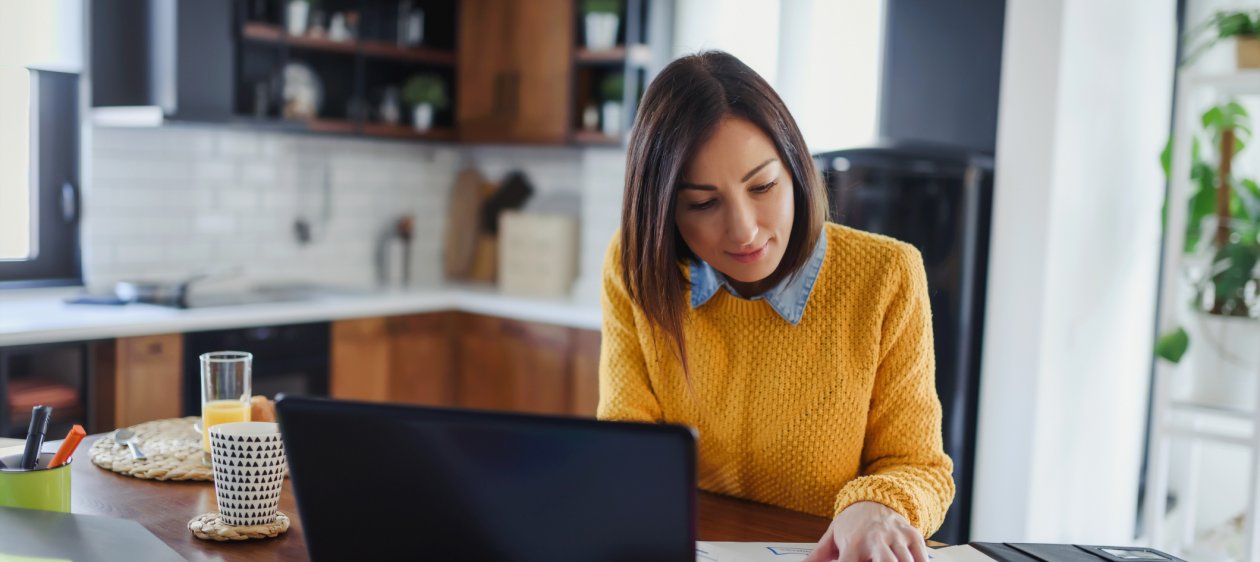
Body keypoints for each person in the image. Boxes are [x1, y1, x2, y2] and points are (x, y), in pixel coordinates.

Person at [597, 51, 955, 562]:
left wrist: (876, 504)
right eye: (702, 203)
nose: (743, 230)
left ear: (796, 168)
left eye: (762, 186)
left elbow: (921, 467)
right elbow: (626, 440)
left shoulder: (886, 275)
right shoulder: (635, 266)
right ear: (663, 210)